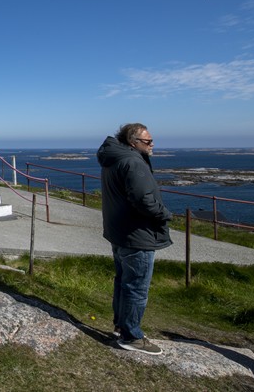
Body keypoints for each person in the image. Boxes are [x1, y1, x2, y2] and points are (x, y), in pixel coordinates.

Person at [97, 123, 172, 356]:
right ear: (133, 142)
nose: (152, 145)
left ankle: (122, 326)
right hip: (137, 235)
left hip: (119, 232)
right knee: (137, 287)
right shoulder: (133, 162)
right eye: (148, 141)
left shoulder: (114, 158)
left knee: (124, 282)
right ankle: (131, 336)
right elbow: (144, 201)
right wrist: (165, 214)